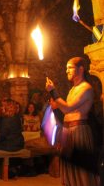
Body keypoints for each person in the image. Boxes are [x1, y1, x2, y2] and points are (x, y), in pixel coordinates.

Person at [45, 57, 99, 186]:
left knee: (80, 170)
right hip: (67, 131)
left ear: (80, 69)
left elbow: (68, 107)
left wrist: (53, 91)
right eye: (66, 68)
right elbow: (65, 111)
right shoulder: (72, 89)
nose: (66, 71)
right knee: (69, 170)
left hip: (79, 131)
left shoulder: (86, 88)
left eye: (70, 67)